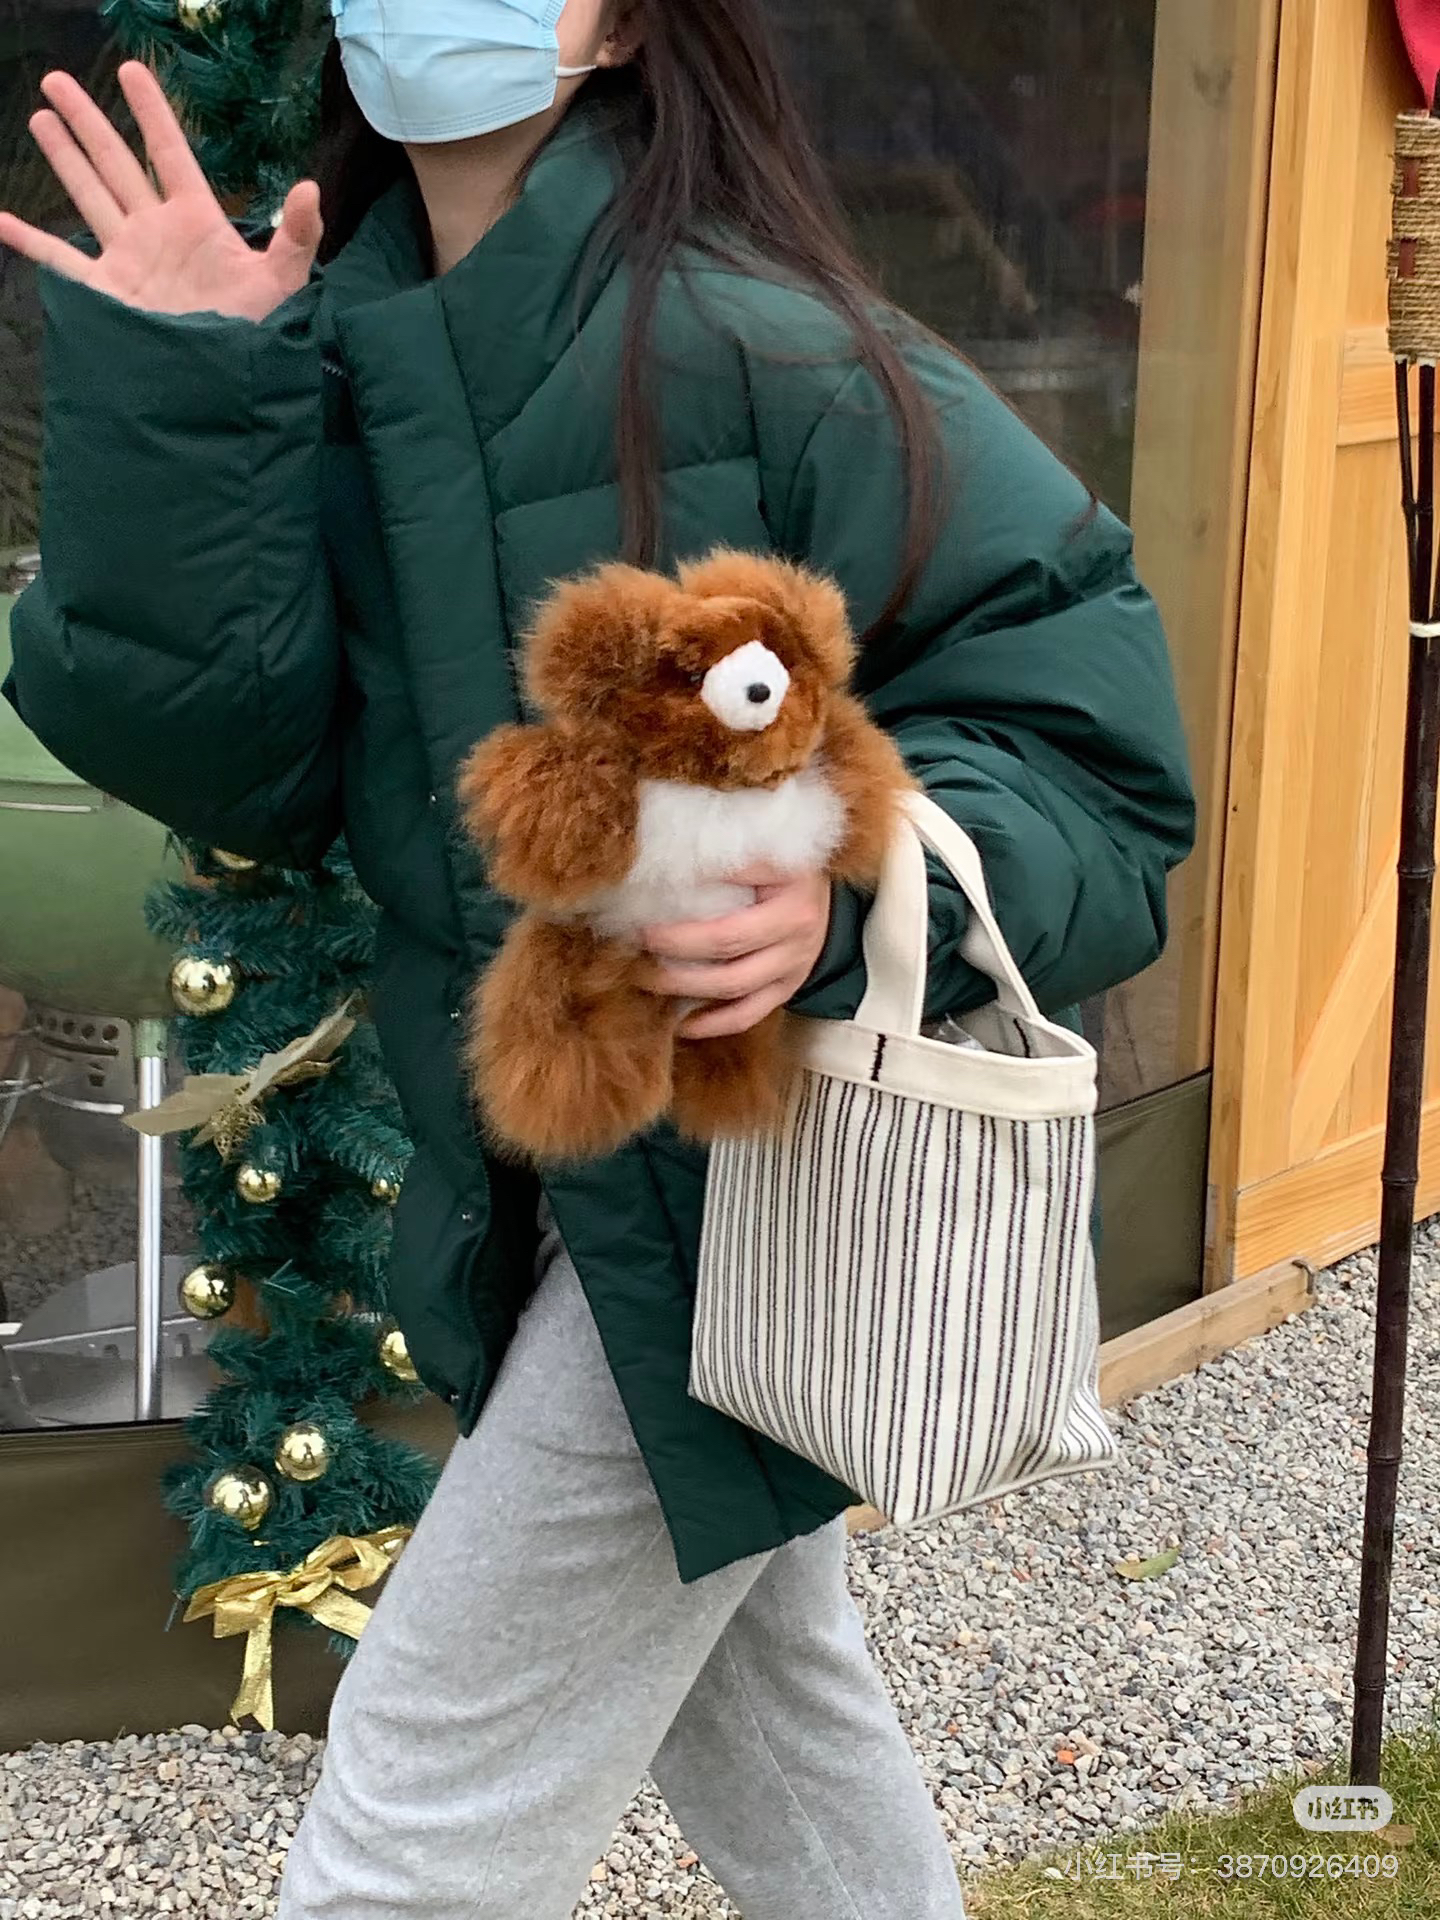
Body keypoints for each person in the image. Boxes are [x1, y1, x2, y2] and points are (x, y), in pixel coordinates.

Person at [0, 4, 1195, 1915]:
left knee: (419, 1807)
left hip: (732, 1183)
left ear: (628, 23)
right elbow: (242, 769)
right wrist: (196, 402)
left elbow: (1088, 740)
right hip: (546, 1171)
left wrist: (841, 884)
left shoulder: (769, 350)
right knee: (775, 1713)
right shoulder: (346, 350)